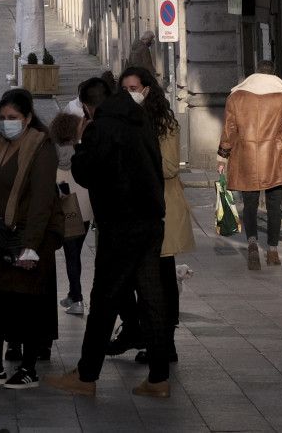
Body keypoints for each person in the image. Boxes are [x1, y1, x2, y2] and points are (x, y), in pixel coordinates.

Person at [44, 77, 172, 398]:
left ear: (87, 105)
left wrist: (80, 142)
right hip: (151, 220)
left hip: (121, 223)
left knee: (103, 300)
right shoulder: (140, 122)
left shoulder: (102, 128)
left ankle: (86, 376)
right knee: (151, 298)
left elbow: (84, 172)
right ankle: (159, 378)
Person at [0, 89, 64, 389]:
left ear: (28, 118)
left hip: (33, 235)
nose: (6, 123)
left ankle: (29, 368)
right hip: (1, 236)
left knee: (28, 302)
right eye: (3, 118)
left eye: (13, 118)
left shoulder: (41, 148)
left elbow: (42, 200)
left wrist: (31, 247)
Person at [107, 67, 196, 363]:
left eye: (134, 87)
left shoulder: (164, 124)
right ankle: (139, 330)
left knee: (161, 281)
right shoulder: (120, 121)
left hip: (161, 211)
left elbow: (171, 167)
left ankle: (164, 343)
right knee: (131, 279)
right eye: (125, 88)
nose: (130, 93)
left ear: (147, 90)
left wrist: (134, 162)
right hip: (131, 211)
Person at [217, 60, 282, 269]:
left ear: (255, 73)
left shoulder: (236, 97)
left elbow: (229, 130)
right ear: (274, 75)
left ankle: (252, 246)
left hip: (245, 156)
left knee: (249, 203)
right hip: (273, 157)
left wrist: (223, 157)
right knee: (274, 203)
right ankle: (273, 251)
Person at [49, 111, 91, 316]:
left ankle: (78, 299)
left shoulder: (52, 154)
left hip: (67, 210)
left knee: (71, 256)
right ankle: (73, 294)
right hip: (86, 211)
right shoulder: (83, 151)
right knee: (75, 254)